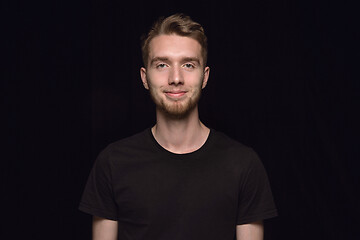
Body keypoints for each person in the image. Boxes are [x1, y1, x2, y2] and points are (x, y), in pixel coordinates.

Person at [79, 13, 277, 240]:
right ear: (145, 77)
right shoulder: (112, 163)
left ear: (205, 76)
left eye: (188, 65)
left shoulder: (244, 164)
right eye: (162, 64)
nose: (176, 78)